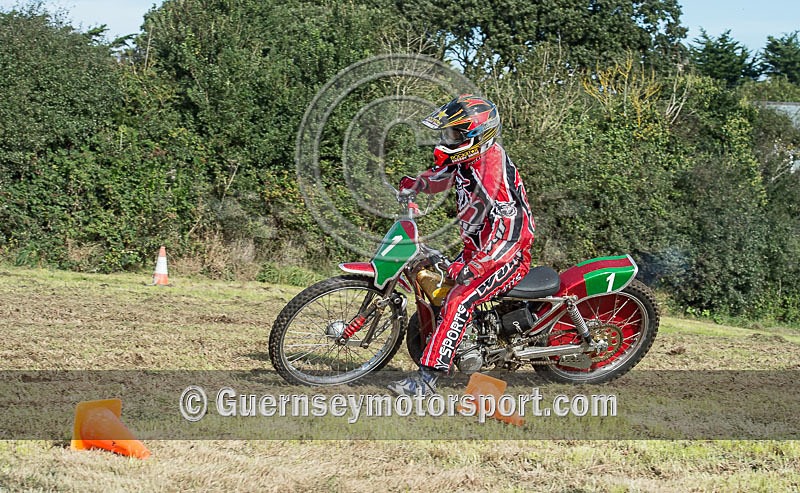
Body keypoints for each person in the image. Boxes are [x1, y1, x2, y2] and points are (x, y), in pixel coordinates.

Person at [387, 94, 535, 397]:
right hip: (477, 248)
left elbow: (513, 231)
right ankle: (459, 343)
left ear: (476, 137)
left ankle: (427, 380)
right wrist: (415, 184)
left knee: (459, 299)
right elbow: (443, 176)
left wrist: (476, 266)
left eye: (454, 134)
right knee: (430, 274)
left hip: (505, 257)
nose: (447, 140)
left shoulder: (493, 173)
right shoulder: (468, 160)